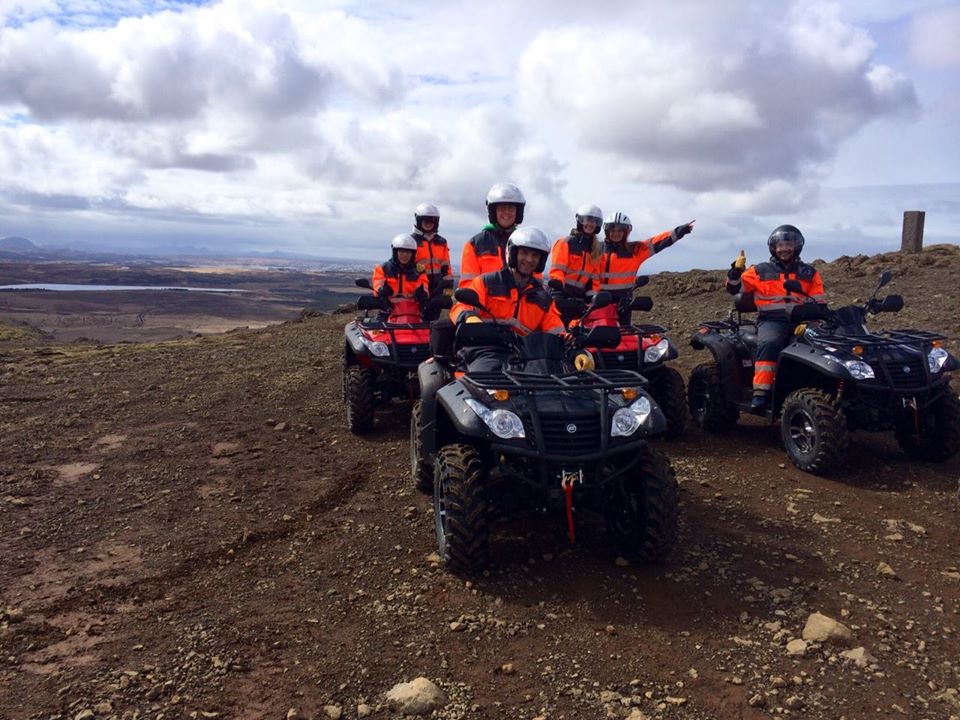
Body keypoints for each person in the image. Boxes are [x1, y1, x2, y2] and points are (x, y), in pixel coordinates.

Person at [725, 224, 826, 413]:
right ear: (773, 247)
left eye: (788, 245)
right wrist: (735, 271)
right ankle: (761, 394)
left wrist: (817, 318)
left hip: (801, 320)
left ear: (797, 246)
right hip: (772, 320)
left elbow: (819, 300)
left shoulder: (809, 273)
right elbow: (733, 288)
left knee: (823, 342)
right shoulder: (759, 270)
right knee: (770, 343)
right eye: (780, 245)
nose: (784, 249)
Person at [597, 212, 695, 324]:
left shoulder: (634, 250)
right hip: (600, 301)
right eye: (613, 230)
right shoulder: (597, 249)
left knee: (624, 335)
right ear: (607, 231)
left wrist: (679, 231)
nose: (616, 234)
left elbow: (657, 242)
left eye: (620, 231)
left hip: (623, 303)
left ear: (626, 232)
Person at [459, 182, 526, 288]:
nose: (507, 213)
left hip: (519, 303)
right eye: (502, 208)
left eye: (511, 209)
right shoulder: (475, 245)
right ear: (493, 211)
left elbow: (536, 284)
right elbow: (468, 286)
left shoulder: (525, 242)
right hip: (485, 303)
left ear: (518, 213)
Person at [548, 204, 603, 326]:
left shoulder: (595, 250)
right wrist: (558, 291)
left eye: (595, 221)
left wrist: (592, 299)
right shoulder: (565, 243)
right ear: (580, 221)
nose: (591, 224)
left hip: (580, 302)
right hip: (561, 296)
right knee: (555, 331)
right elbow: (558, 270)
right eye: (588, 220)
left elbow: (595, 279)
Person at [372, 234, 429, 318]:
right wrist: (381, 290)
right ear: (395, 252)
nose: (405, 255)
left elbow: (424, 286)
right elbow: (377, 283)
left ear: (413, 254)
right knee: (378, 330)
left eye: (408, 252)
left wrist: (422, 293)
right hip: (387, 310)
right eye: (401, 251)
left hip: (413, 312)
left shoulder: (419, 270)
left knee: (426, 330)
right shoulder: (383, 268)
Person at [411, 203, 452, 315]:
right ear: (419, 221)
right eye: (425, 220)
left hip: (437, 287)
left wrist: (448, 288)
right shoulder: (411, 241)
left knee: (433, 322)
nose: (429, 224)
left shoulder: (441, 242)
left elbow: (446, 267)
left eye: (432, 220)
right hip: (418, 289)